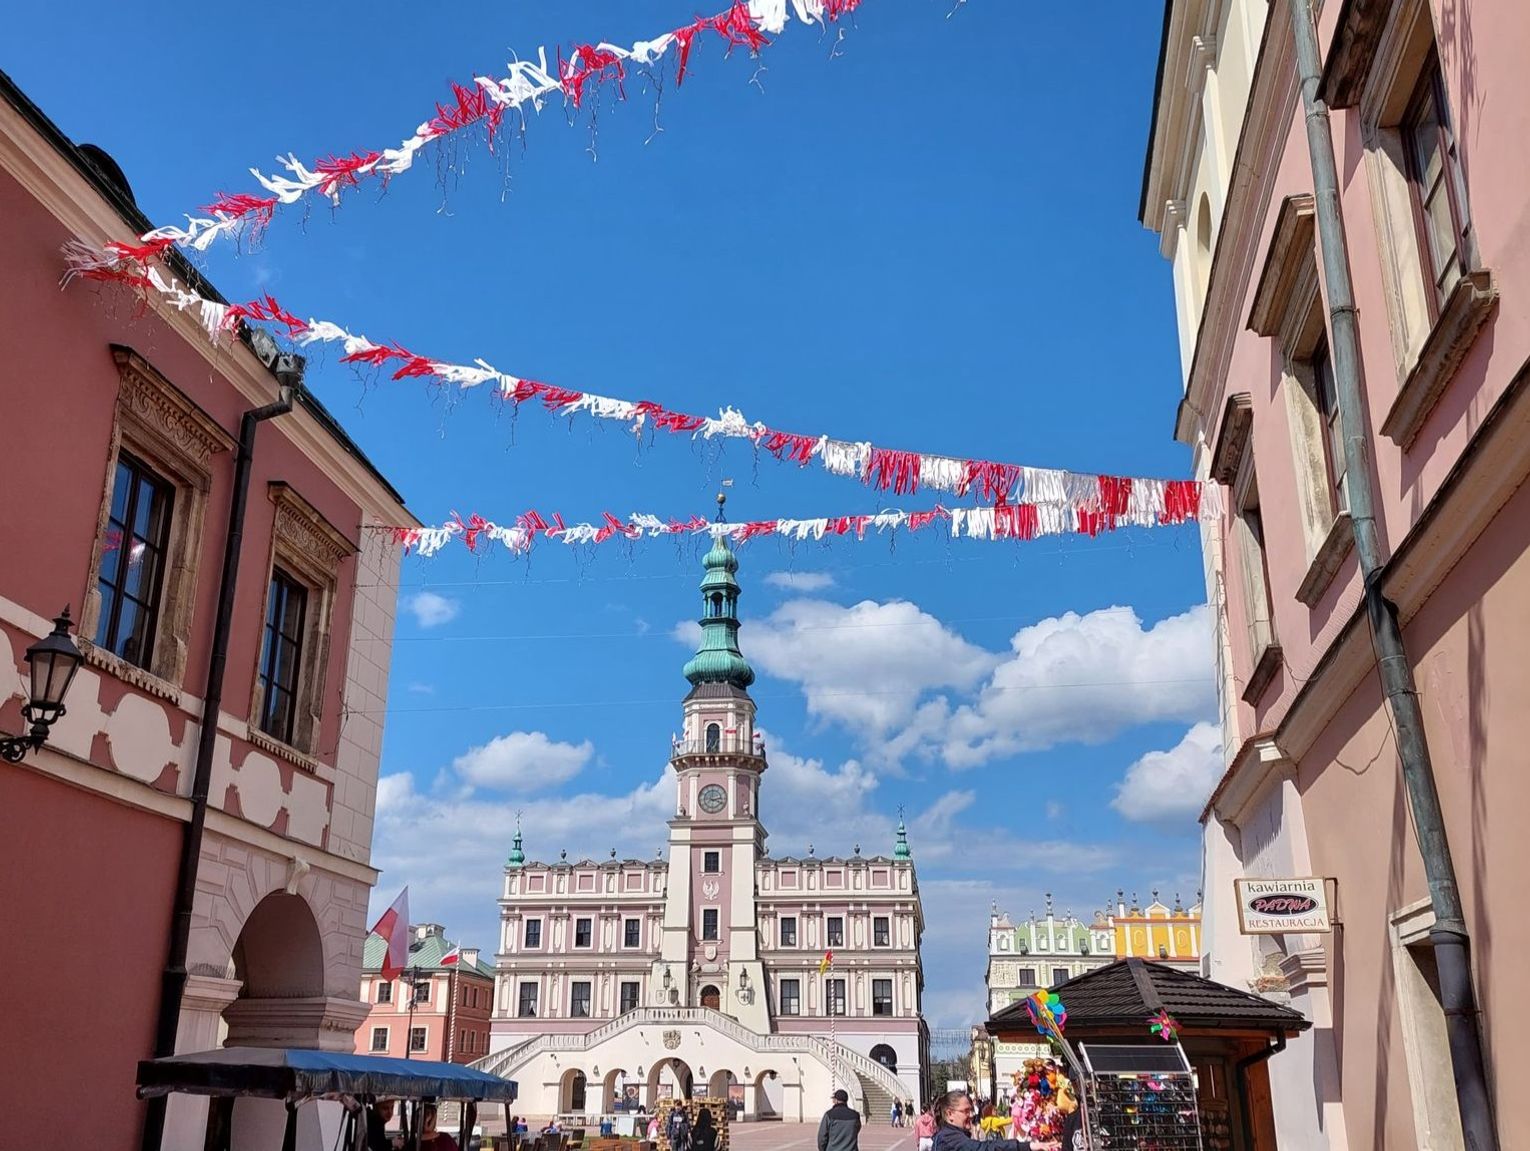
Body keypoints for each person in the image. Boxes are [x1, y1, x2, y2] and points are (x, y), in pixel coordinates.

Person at [932, 1090, 1057, 1151]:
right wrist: (1027, 1146)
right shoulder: (948, 1137)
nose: (971, 1115)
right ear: (950, 1114)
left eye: (970, 1110)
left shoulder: (948, 1134)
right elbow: (983, 1148)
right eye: (965, 1111)